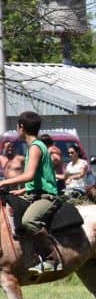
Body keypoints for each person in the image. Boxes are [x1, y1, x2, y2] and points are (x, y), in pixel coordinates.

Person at [0, 111, 64, 274]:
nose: (16, 130)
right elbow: (36, 178)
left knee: (29, 221)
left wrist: (3, 182)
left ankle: (52, 258)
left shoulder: (35, 147)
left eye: (17, 127)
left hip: (46, 197)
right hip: (34, 193)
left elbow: (28, 175)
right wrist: (23, 190)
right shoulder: (34, 147)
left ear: (22, 127)